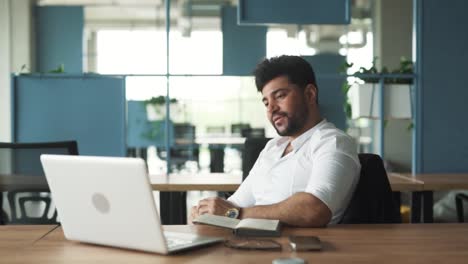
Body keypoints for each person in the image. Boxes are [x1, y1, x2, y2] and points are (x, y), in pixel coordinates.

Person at [190, 55, 361, 227]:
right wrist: (207, 213)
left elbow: (314, 209)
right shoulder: (272, 147)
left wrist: (234, 214)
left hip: (301, 250)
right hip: (253, 243)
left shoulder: (333, 142)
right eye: (266, 103)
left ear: (309, 94)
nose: (271, 108)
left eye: (280, 96)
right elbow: (236, 203)